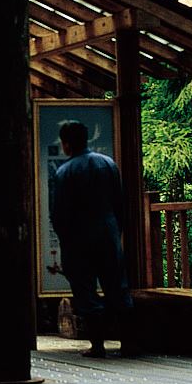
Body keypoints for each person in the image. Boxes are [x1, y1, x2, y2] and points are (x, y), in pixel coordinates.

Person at [49, 119, 136, 358]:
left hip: (78, 237)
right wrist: (115, 229)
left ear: (66, 144)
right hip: (107, 232)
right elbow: (119, 203)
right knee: (117, 285)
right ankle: (128, 343)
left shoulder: (64, 172)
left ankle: (97, 345)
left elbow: (59, 213)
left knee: (85, 289)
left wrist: (65, 237)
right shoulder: (108, 164)